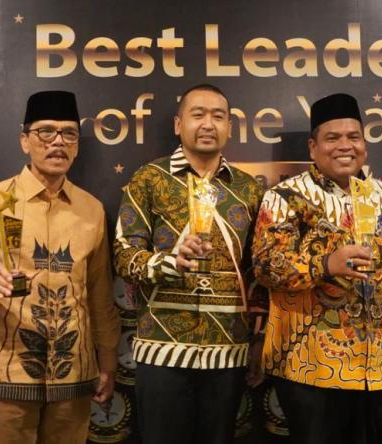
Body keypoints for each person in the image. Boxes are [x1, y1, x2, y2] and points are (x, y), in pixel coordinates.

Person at [252, 93, 382, 444]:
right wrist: (325, 264)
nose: (345, 146)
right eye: (332, 138)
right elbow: (265, 266)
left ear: (365, 144)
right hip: (311, 368)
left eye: (354, 137)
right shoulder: (287, 197)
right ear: (313, 147)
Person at [0, 90, 120, 443]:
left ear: (77, 146)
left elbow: (100, 294)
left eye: (69, 133)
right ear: (25, 140)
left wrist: (108, 361)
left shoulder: (91, 210)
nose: (58, 142)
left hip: (74, 374)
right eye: (46, 131)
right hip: (8, 374)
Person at [113, 84, 265, 444]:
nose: (208, 124)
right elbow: (123, 254)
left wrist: (259, 338)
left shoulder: (249, 189)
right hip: (162, 348)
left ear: (230, 127)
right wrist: (170, 263)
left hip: (228, 349)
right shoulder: (149, 178)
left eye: (218, 116)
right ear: (178, 124)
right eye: (198, 115)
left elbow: (259, 272)